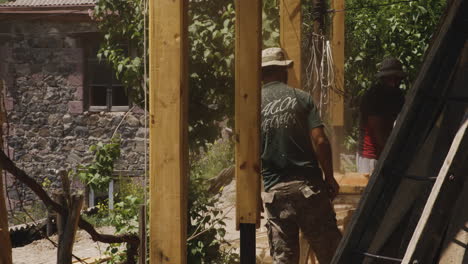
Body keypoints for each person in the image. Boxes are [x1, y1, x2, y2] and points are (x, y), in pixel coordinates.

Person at [260, 47, 342, 264]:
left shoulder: (251, 105)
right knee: (332, 255)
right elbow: (321, 141)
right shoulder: (301, 98)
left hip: (275, 193)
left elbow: (246, 155)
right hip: (308, 189)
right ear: (284, 70)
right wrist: (330, 177)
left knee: (284, 260)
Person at [357, 57, 405, 174]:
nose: (393, 83)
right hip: (370, 156)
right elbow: (377, 132)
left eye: (396, 79)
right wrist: (391, 154)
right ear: (383, 79)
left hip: (386, 151)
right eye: (390, 79)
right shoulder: (373, 96)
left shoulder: (399, 97)